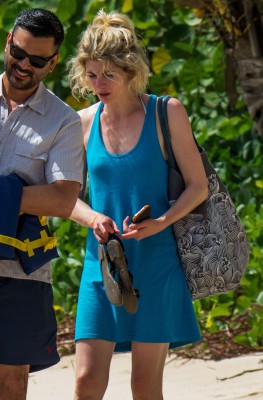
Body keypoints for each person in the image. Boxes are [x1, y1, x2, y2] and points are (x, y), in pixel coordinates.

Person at [68, 9, 208, 400]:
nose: (98, 84)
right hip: (103, 265)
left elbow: (197, 187)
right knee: (85, 381)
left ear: (131, 70)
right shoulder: (82, 122)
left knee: (145, 387)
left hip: (158, 262)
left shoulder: (168, 111)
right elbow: (68, 199)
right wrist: (93, 216)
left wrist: (162, 220)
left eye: (108, 75)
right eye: (92, 74)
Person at [0, 8, 84, 400]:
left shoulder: (63, 121)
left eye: (35, 61)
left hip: (21, 270)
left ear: (51, 63)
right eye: (18, 53)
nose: (22, 65)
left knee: (11, 378)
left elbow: (63, 198)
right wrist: (18, 196)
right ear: (8, 43)